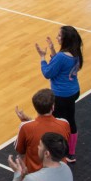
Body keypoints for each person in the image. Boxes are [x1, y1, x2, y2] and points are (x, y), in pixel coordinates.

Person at [37, 25, 83, 161]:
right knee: (70, 120)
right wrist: (52, 49)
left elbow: (48, 72)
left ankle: (57, 151)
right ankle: (71, 152)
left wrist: (42, 58)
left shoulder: (61, 57)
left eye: (59, 36)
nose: (56, 38)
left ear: (65, 40)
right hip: (73, 91)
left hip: (60, 95)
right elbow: (62, 65)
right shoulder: (75, 52)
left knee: (54, 123)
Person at [15, 89, 71, 174]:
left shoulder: (25, 127)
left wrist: (27, 122)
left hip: (34, 176)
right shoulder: (64, 124)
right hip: (58, 172)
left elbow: (20, 150)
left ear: (35, 107)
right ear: (53, 107)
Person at [7, 133, 73, 181]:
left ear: (47, 154)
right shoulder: (67, 169)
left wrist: (18, 174)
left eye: (40, 145)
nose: (38, 147)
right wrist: (26, 176)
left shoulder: (32, 180)